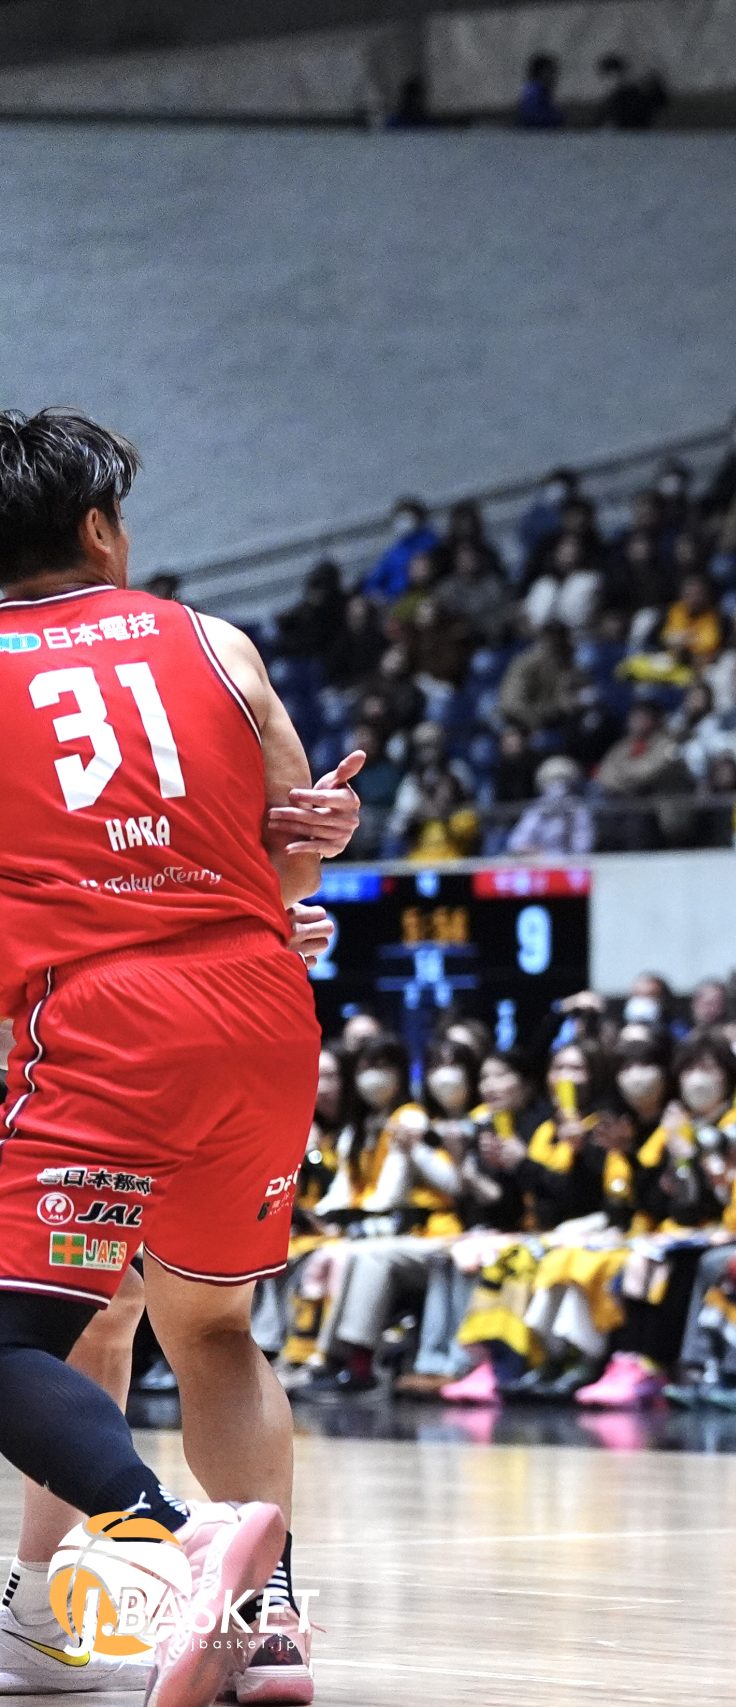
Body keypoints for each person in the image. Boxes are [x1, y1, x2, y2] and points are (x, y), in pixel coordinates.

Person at [0, 409, 363, 1706]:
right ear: (101, 528)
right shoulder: (215, 640)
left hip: (102, 1020)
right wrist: (318, 832)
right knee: (211, 1326)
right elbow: (293, 864)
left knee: (31, 1329)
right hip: (260, 1008)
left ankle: (164, 1549)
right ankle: (264, 1623)